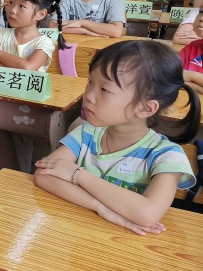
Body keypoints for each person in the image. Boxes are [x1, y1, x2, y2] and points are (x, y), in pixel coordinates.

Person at [35, 41, 199, 236]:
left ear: (145, 108)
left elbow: (147, 214)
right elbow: (44, 175)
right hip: (81, 236)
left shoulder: (167, 156)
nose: (88, 96)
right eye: (90, 82)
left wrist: (77, 174)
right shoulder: (87, 132)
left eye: (104, 89)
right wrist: (99, 207)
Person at [0, 0, 64, 169]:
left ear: (40, 14)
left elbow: (28, 68)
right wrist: (16, 65)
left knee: (23, 147)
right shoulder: (2, 33)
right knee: (1, 137)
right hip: (2, 96)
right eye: (10, 2)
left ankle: (15, 175)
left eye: (21, 6)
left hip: (30, 104)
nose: (12, 10)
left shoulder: (43, 42)